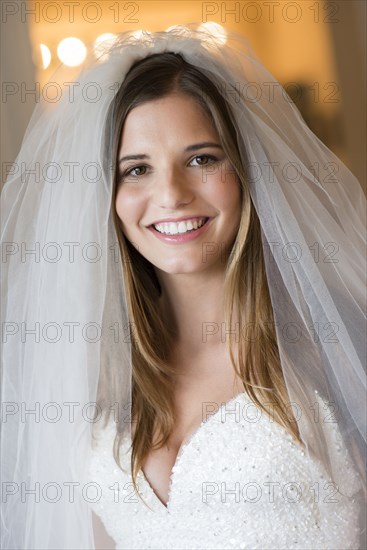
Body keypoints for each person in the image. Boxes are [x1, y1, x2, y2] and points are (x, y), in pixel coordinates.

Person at [1, 25, 366, 550]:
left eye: (201, 158)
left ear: (245, 170)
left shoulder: (335, 343)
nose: (171, 194)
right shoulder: (93, 374)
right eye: (136, 169)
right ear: (107, 196)